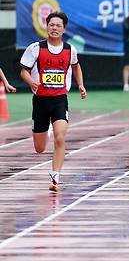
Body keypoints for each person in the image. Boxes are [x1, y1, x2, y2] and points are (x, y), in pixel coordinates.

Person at [19, 11, 86, 191]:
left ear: (64, 29)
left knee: (60, 137)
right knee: (40, 148)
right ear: (46, 26)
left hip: (59, 100)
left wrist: (81, 85)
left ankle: (55, 176)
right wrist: (31, 81)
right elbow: (23, 71)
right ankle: (45, 129)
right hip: (40, 101)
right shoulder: (35, 48)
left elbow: (76, 66)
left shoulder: (70, 50)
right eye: (51, 25)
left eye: (58, 25)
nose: (54, 28)